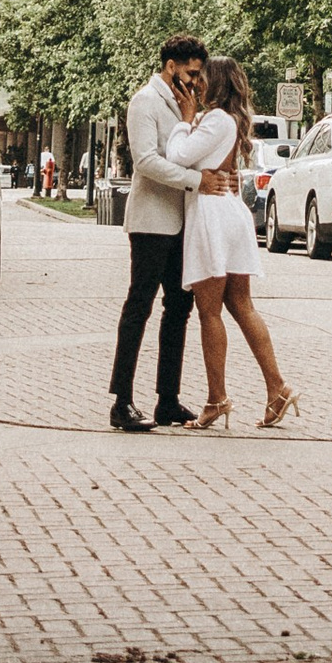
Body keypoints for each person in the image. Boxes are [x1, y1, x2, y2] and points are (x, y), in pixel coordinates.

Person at [168, 57, 300, 433]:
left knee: (210, 311)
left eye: (202, 78)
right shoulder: (230, 121)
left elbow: (178, 155)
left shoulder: (215, 119)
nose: (196, 85)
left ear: (217, 83)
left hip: (212, 216)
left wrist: (184, 119)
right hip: (230, 212)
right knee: (242, 305)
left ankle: (217, 399)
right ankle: (277, 387)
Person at [108, 36, 209, 431]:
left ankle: (168, 399)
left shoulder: (186, 105)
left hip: (184, 222)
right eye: (191, 73)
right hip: (151, 221)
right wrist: (197, 181)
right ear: (170, 66)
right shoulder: (144, 102)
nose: (197, 81)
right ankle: (122, 401)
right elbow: (146, 161)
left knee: (179, 310)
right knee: (139, 307)